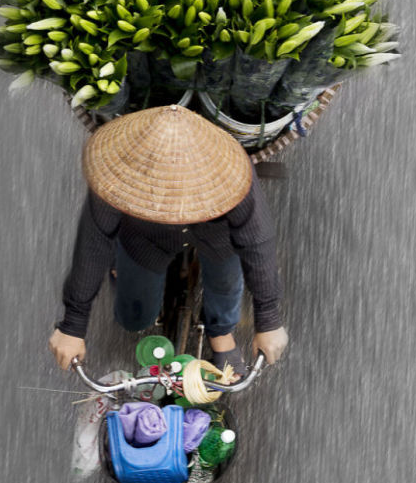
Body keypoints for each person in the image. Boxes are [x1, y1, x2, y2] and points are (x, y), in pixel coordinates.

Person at [48, 104, 288, 375]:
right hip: (143, 238)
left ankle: (220, 333)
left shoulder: (233, 171)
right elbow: (93, 241)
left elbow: (257, 241)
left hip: (218, 238)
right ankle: (121, 260)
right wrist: (73, 324)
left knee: (226, 284)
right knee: (134, 319)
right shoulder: (116, 172)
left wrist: (268, 319)